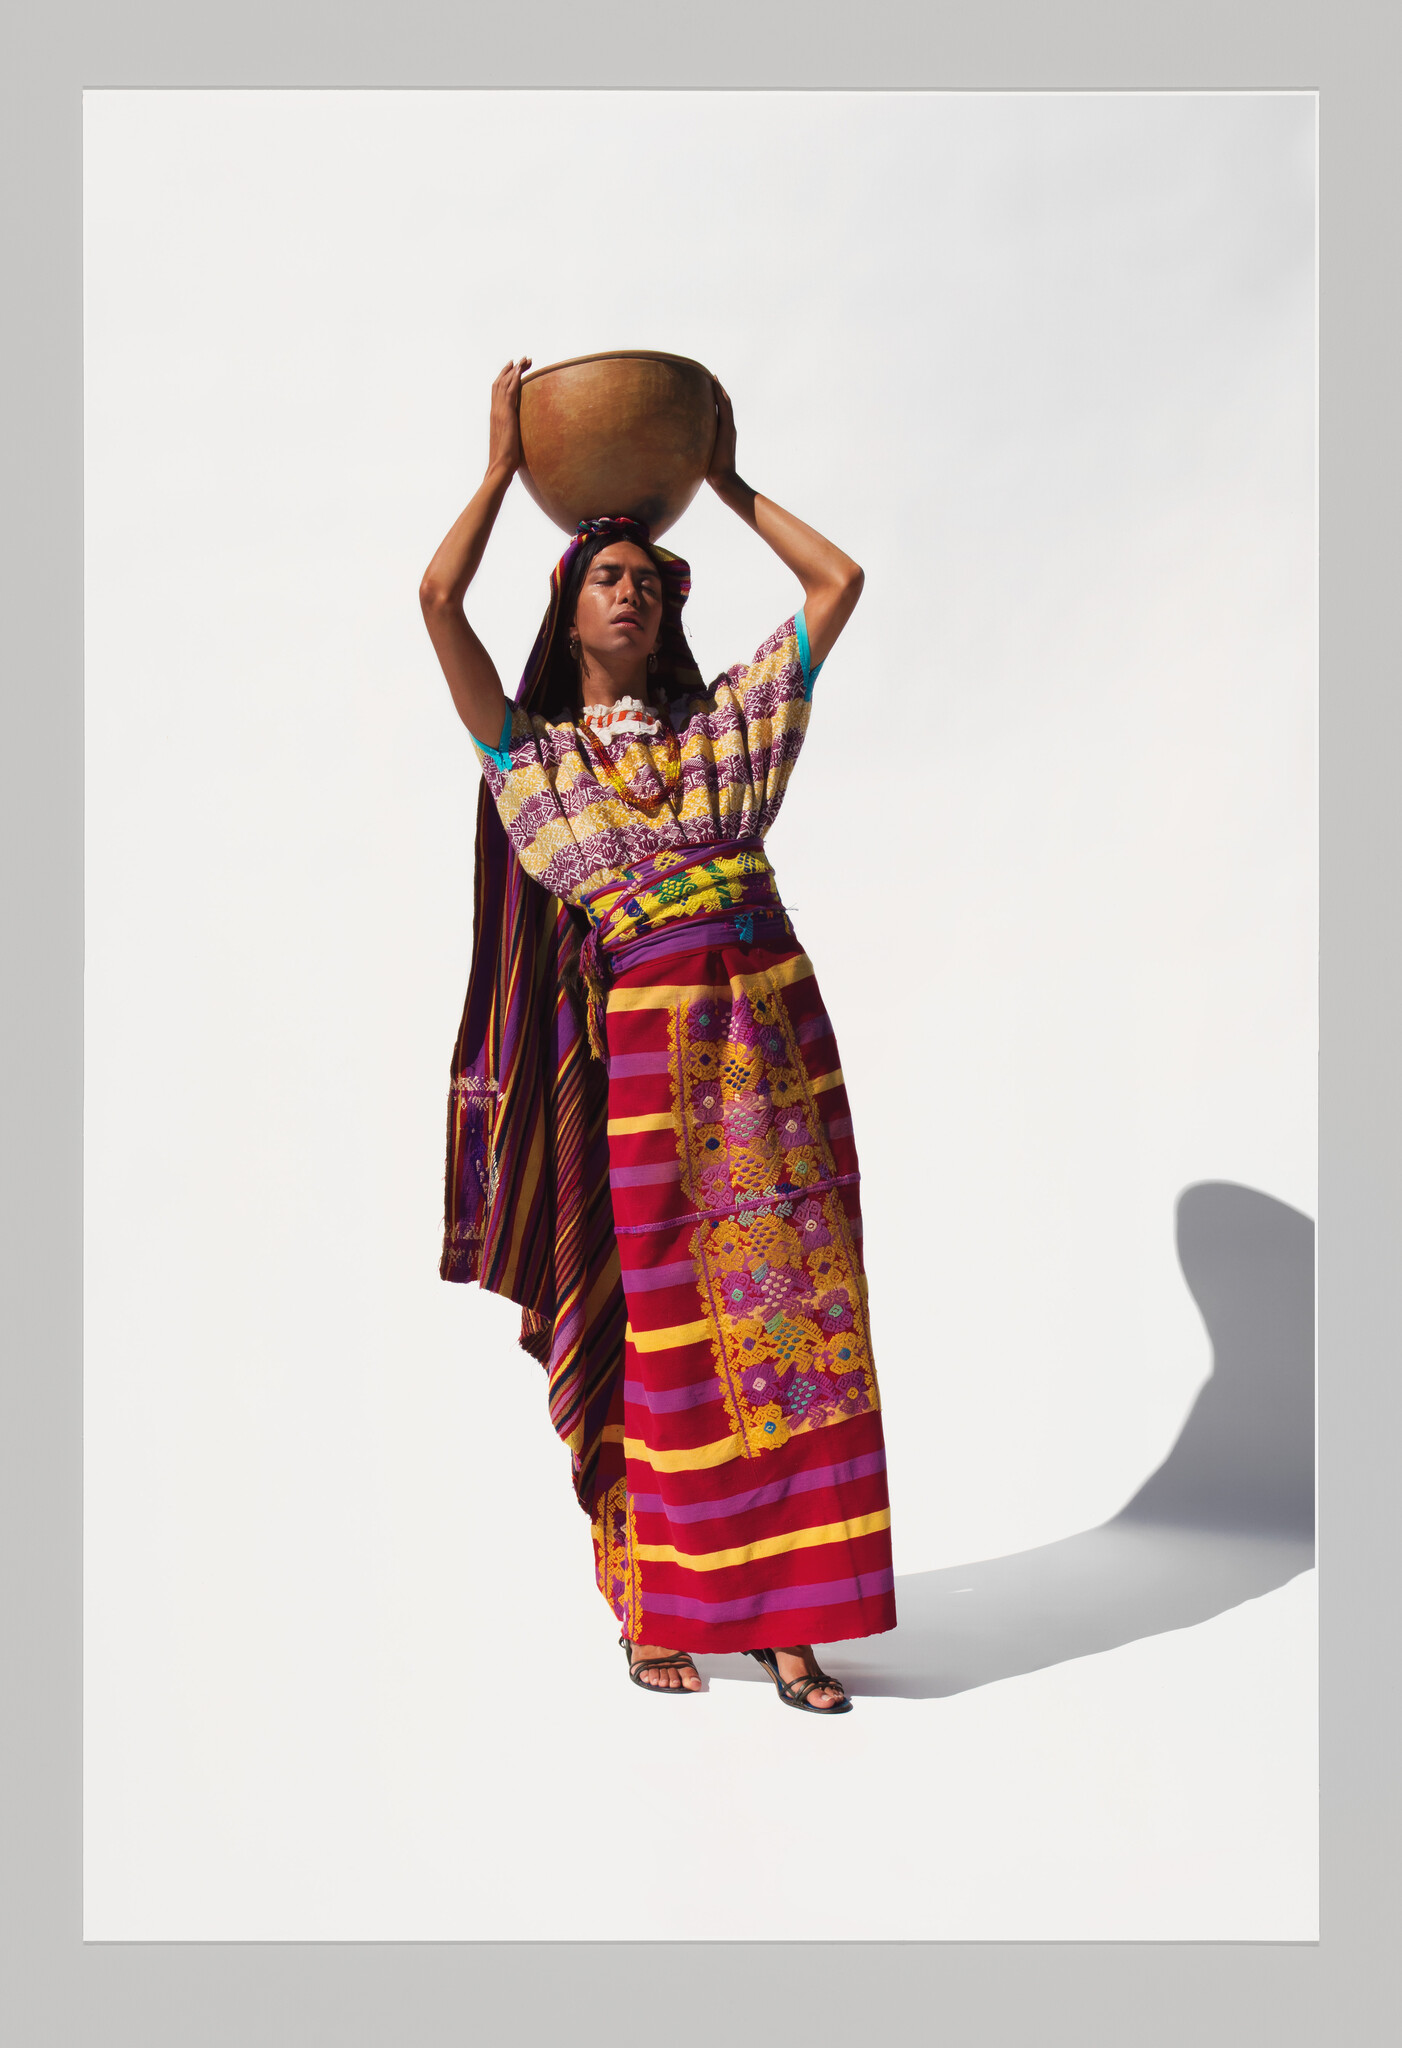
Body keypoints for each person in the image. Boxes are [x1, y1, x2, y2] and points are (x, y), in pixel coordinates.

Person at [419, 357, 896, 1712]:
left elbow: (836, 586)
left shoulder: (721, 733)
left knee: (798, 1322)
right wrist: (504, 469)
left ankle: (788, 1622)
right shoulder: (536, 755)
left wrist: (727, 481)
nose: (628, 590)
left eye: (645, 577)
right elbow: (436, 601)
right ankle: (658, 1601)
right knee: (676, 1328)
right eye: (602, 577)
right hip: (641, 1054)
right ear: (566, 604)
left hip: (775, 1032)